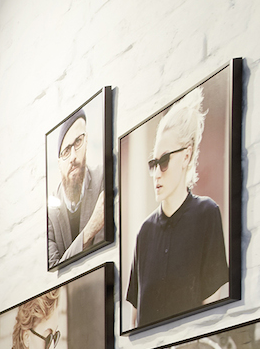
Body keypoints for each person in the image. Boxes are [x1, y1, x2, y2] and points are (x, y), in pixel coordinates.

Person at [126, 87, 229, 327]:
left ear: (186, 156)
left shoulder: (207, 214)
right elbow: (134, 324)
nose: (157, 173)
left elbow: (210, 315)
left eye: (164, 161)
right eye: (154, 163)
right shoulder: (145, 232)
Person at [47, 109, 106, 268]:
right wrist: (91, 228)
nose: (73, 156)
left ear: (86, 143)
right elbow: (55, 267)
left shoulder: (103, 179)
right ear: (59, 163)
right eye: (66, 151)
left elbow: (102, 256)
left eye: (78, 142)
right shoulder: (50, 212)